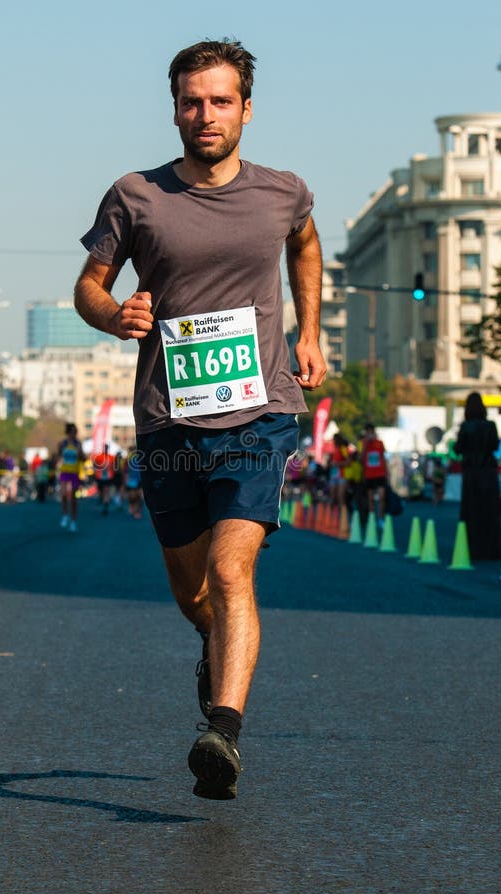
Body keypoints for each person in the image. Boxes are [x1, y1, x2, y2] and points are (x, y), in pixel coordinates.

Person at [74, 39, 326, 801]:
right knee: (194, 594)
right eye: (192, 101)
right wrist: (115, 314)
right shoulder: (135, 195)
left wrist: (309, 329)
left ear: (246, 109)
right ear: (175, 108)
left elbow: (305, 246)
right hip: (169, 423)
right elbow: (88, 284)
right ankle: (212, 647)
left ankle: (223, 730)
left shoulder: (282, 191)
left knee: (230, 568)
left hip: (259, 416)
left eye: (221, 101)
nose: (205, 114)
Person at [454, 392, 500, 560]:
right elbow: (494, 445)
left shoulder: (466, 426)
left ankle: (472, 548)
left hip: (471, 473)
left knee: (472, 512)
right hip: (488, 472)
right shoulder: (491, 425)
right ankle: (492, 548)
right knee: (490, 511)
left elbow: (458, 449)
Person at [57, 423, 85, 532]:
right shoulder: (62, 444)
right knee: (63, 494)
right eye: (72, 431)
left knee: (73, 498)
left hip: (74, 472)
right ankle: (65, 515)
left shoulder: (78, 444)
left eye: (75, 432)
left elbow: (83, 459)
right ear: (68, 432)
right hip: (64, 471)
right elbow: (59, 456)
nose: (74, 434)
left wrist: (80, 452)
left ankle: (73, 521)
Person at [360, 423, 387, 526]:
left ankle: (380, 518)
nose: (370, 434)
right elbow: (361, 459)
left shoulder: (380, 443)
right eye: (368, 432)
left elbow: (383, 458)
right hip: (369, 475)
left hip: (380, 474)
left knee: (381, 497)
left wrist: (386, 473)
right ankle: (372, 519)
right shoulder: (364, 444)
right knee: (370, 498)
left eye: (371, 432)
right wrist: (366, 445)